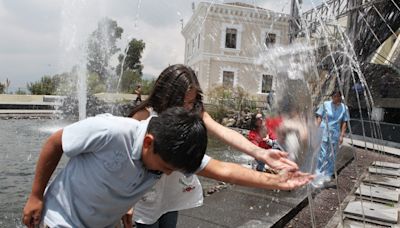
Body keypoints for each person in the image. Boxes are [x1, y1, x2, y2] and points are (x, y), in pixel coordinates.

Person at [127, 64, 310, 228]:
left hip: (172, 193)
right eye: (180, 101)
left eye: (190, 102)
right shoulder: (145, 116)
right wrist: (127, 201)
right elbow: (128, 158)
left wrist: (260, 152)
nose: (185, 108)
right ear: (165, 95)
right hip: (145, 194)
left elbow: (221, 131)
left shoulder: (192, 112)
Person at [22, 107, 208, 228]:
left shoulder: (165, 153)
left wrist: (126, 205)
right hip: (61, 219)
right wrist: (36, 196)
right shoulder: (111, 131)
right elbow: (55, 142)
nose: (167, 173)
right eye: (165, 167)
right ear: (148, 143)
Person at [314, 89, 349, 186]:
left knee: (332, 154)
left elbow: (344, 122)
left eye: (337, 96)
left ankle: (328, 174)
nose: (336, 98)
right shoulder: (325, 104)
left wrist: (342, 135)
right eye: (334, 96)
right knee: (322, 153)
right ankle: (318, 173)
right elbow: (319, 117)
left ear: (340, 97)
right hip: (324, 130)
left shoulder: (344, 108)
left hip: (335, 132)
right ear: (332, 97)